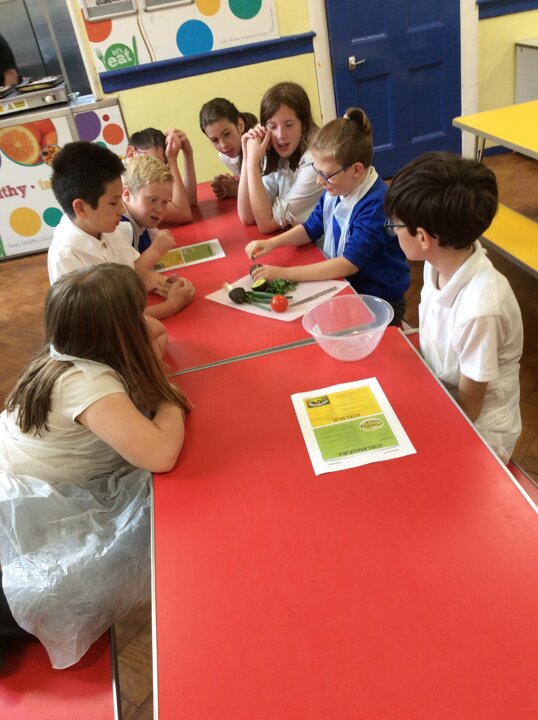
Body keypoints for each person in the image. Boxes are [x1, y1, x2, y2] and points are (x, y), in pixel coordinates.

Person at [0, 263, 189, 669]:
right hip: (35, 505)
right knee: (38, 594)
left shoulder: (65, 353)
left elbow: (157, 336)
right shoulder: (87, 384)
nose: (146, 319)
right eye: (137, 313)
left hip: (21, 479)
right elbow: (161, 454)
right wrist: (168, 398)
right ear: (119, 330)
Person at [384, 151, 523, 461]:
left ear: (423, 237)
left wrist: (414, 425)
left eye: (394, 225)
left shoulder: (480, 308)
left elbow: (470, 410)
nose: (391, 231)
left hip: (480, 434)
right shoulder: (437, 265)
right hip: (441, 396)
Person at [245, 108, 410, 325]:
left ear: (356, 170)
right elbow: (311, 228)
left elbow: (348, 264)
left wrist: (283, 273)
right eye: (317, 171)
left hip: (379, 300)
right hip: (350, 288)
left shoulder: (376, 205)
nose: (318, 181)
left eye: (326, 175)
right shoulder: (336, 190)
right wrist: (272, 243)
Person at [47, 142, 194, 357]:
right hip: (95, 348)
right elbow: (104, 327)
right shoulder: (66, 256)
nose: (121, 209)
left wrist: (161, 283)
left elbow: (132, 270)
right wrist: (171, 306)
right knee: (155, 341)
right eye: (114, 202)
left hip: (121, 325)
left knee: (159, 335)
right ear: (81, 208)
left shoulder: (107, 226)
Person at [238, 81, 322, 233]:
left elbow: (266, 224)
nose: (280, 135)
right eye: (272, 126)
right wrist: (247, 155)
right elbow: (247, 217)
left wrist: (253, 163)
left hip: (320, 244)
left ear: (303, 124)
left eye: (289, 125)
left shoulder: (315, 162)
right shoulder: (276, 151)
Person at [126, 127, 197, 223]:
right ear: (131, 154)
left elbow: (189, 201)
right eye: (153, 160)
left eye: (163, 165)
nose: (157, 168)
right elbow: (184, 214)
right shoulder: (124, 182)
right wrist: (172, 161)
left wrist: (187, 152)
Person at [199, 97, 257, 199]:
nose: (223, 145)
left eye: (226, 134)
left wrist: (237, 189)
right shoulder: (226, 157)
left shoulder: (260, 144)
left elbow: (275, 192)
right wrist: (230, 185)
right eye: (215, 140)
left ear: (240, 125)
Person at [121, 153, 177, 254]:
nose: (159, 209)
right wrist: (156, 250)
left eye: (165, 202)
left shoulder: (141, 219)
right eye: (152, 200)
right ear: (127, 194)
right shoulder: (120, 227)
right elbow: (128, 265)